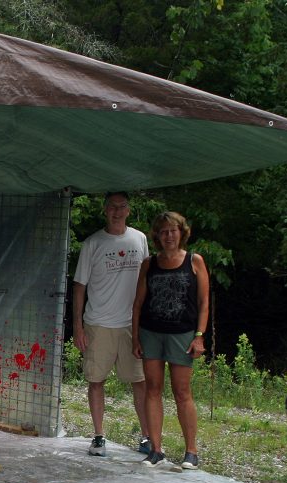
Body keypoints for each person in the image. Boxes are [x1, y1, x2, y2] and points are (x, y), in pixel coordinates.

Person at [72, 191, 151, 457]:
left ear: (129, 210)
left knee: (139, 381)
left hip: (132, 324)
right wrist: (78, 327)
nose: (117, 211)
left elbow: (146, 280)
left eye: (122, 207)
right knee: (96, 380)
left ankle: (147, 437)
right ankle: (98, 436)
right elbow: (79, 287)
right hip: (98, 323)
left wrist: (146, 323)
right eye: (112, 207)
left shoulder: (139, 239)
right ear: (105, 210)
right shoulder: (92, 243)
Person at [132, 211, 209, 468]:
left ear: (182, 232)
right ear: (157, 236)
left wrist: (199, 336)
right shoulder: (149, 263)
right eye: (163, 231)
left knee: (182, 391)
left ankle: (191, 451)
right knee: (152, 389)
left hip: (182, 334)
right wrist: (135, 337)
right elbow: (138, 304)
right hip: (151, 333)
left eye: (173, 230)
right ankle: (155, 449)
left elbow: (204, 302)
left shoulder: (194, 261)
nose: (169, 236)